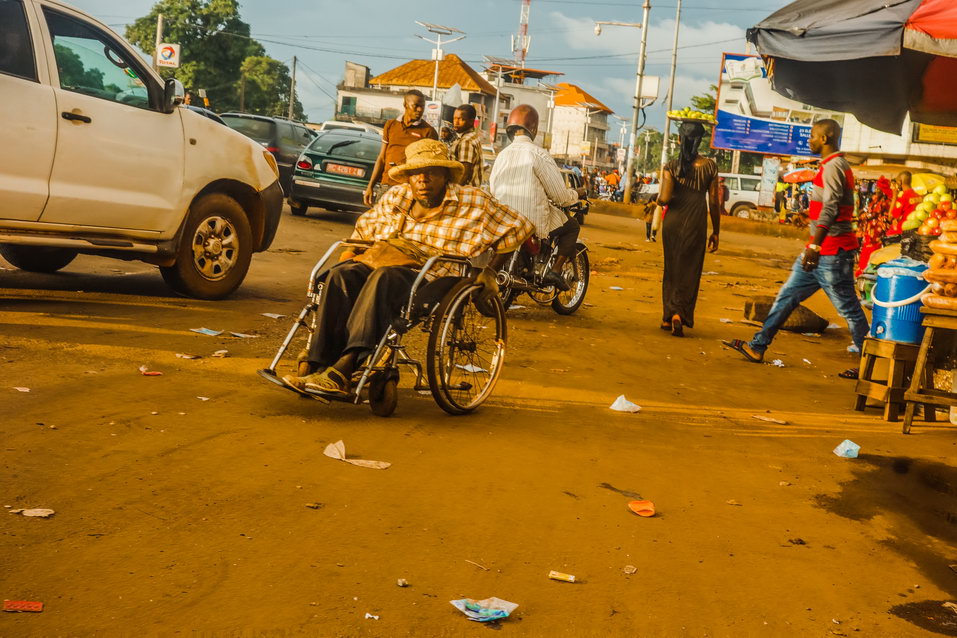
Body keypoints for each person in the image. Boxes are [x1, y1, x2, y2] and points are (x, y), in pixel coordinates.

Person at [284, 139, 533, 396]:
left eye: (431, 172)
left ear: (445, 175)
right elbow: (362, 232)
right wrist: (348, 259)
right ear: (408, 176)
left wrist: (490, 271)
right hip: (385, 258)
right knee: (341, 275)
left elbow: (520, 228)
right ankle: (317, 363)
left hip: (432, 276)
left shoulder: (473, 201)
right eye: (416, 173)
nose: (423, 180)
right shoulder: (398, 196)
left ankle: (345, 369)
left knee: (384, 278)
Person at [723, 119, 869, 376]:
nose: (809, 140)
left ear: (825, 138)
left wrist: (815, 244)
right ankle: (758, 345)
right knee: (787, 297)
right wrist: (808, 219)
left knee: (850, 310)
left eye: (812, 136)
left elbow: (832, 208)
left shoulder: (834, 166)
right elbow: (826, 207)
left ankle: (871, 366)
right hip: (819, 251)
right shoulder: (830, 166)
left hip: (832, 253)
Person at [489, 104, 584, 291]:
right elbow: (560, 196)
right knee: (572, 226)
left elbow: (493, 188)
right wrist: (576, 194)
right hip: (531, 221)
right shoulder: (539, 154)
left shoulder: (501, 155)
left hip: (503, 218)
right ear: (533, 129)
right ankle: (555, 270)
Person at [656, 121, 720, 337]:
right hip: (696, 221)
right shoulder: (710, 166)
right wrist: (716, 231)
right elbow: (714, 202)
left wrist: (655, 201)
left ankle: (668, 316)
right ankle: (680, 315)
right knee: (690, 270)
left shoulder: (671, 166)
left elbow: (664, 198)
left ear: (679, 139)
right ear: (699, 141)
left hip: (673, 221)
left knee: (672, 267)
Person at [363, 89, 438, 206]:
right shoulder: (391, 125)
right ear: (405, 105)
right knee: (380, 221)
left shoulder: (428, 131)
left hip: (409, 189)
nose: (419, 110)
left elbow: (429, 166)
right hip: (386, 184)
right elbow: (382, 158)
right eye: (416, 106)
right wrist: (370, 186)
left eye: (422, 106)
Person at [855, 176, 893, 277]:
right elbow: (869, 210)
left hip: (877, 232)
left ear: (883, 191)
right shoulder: (875, 199)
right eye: (876, 188)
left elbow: (876, 214)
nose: (876, 191)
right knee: (866, 249)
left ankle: (869, 272)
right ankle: (863, 270)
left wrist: (865, 215)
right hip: (870, 230)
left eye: (878, 189)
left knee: (873, 250)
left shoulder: (886, 202)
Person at [449, 104, 484, 187]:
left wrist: (454, 193)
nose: (456, 122)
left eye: (461, 119)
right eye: (454, 118)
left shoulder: (466, 141)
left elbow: (464, 173)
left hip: (464, 192)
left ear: (471, 121)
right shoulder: (472, 136)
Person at [887, 171, 921, 239]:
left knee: (888, 233)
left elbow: (890, 216)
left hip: (903, 231)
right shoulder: (918, 196)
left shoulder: (903, 198)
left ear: (900, 182)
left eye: (896, 181)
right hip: (916, 228)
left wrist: (894, 196)